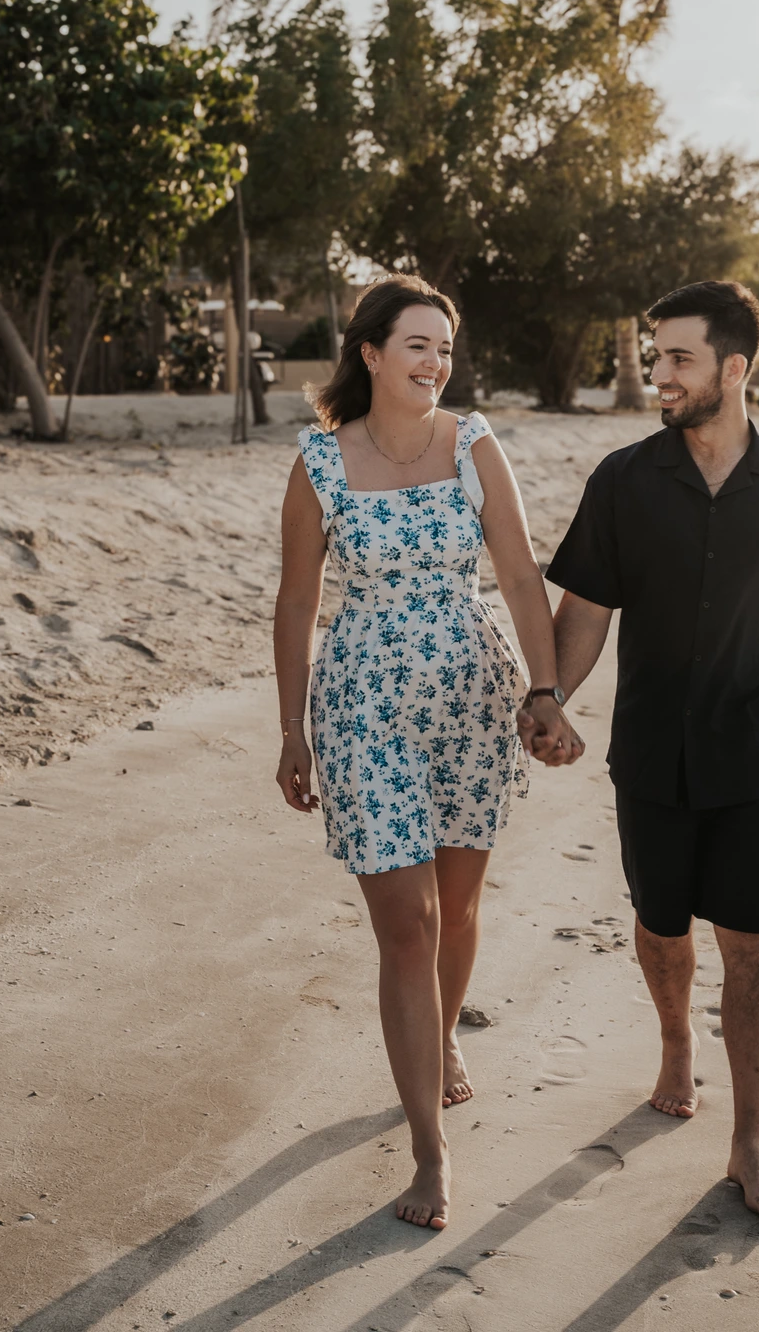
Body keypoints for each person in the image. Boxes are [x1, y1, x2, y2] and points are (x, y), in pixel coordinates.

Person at [520, 279, 759, 1222]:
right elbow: (585, 611)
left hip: (758, 757)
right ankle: (676, 1038)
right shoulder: (624, 481)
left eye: (676, 358)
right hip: (651, 754)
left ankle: (749, 1140)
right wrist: (548, 695)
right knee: (661, 923)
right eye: (654, 356)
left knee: (753, 943)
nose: (656, 375)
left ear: (733, 368)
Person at [273, 275, 581, 1231]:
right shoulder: (318, 462)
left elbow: (522, 575)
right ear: (370, 352)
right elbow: (294, 603)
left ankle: (442, 1037)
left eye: (445, 348)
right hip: (362, 704)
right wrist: (292, 729)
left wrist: (545, 692)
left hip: (471, 697)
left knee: (457, 906)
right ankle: (429, 1155)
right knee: (404, 925)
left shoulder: (475, 442)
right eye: (417, 344)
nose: (435, 363)